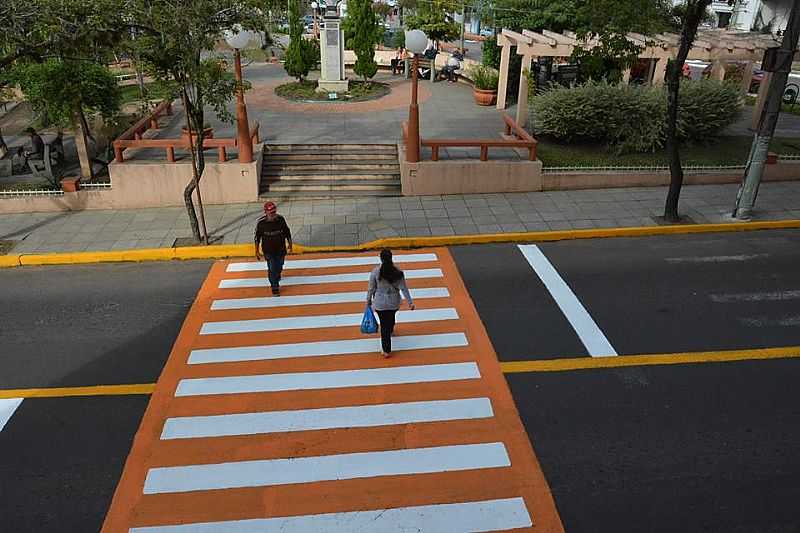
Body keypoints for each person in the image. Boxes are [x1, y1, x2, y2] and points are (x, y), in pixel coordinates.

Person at [366, 249, 415, 358]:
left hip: (380, 303)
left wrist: (368, 300)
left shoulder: (375, 272)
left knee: (384, 325)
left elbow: (371, 288)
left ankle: (386, 350)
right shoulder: (398, 272)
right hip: (394, 302)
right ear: (391, 258)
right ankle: (391, 329)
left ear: (381, 258)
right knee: (391, 316)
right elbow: (404, 288)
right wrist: (410, 302)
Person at [254, 201, 292, 296]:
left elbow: (287, 232)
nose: (273, 215)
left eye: (274, 212)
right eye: (271, 213)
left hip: (281, 249)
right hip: (268, 251)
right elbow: (257, 238)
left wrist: (290, 244)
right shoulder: (261, 223)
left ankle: (277, 274)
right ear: (266, 212)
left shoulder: (281, 219)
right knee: (272, 268)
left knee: (279, 265)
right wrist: (257, 251)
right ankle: (274, 287)